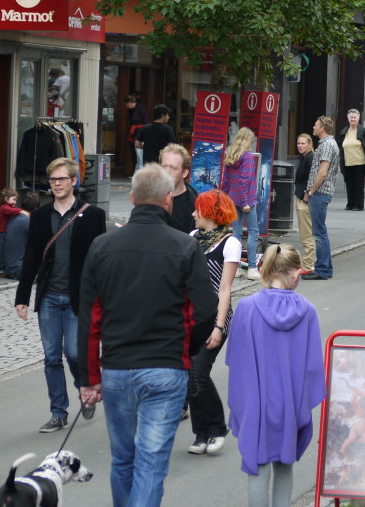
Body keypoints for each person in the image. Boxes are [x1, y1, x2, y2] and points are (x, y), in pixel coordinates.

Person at [78, 164, 218, 507]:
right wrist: (187, 347)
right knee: (151, 464)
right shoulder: (185, 248)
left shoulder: (102, 246)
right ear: (168, 201)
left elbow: (88, 319)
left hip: (117, 368)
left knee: (123, 460)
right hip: (166, 367)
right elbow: (206, 310)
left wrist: (88, 378)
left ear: (131, 198)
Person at [226, 244, 325, 507]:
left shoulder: (246, 308)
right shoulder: (308, 312)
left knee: (258, 467)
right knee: (285, 464)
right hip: (290, 405)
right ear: (293, 272)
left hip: (257, 403)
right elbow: (313, 368)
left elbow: (236, 360)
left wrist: (243, 402)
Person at [15, 158, 107, 433]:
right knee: (52, 356)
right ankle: (58, 412)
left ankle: (86, 389)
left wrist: (103, 297)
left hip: (78, 297)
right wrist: (22, 296)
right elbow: (31, 256)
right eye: (53, 179)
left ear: (73, 181)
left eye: (62, 179)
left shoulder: (92, 215)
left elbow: (100, 259)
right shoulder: (41, 216)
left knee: (75, 353)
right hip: (49, 297)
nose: (56, 184)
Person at [186, 189, 241, 455]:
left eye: (198, 209)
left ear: (209, 212)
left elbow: (225, 290)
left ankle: (217, 428)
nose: (193, 214)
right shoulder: (192, 238)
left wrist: (219, 327)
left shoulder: (230, 243)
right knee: (189, 376)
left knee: (199, 373)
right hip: (191, 318)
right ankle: (200, 434)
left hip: (215, 317)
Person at [302, 116, 341, 281]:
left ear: (322, 128)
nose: (313, 127)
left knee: (319, 233)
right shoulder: (329, 144)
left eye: (316, 125)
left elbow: (322, 172)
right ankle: (324, 268)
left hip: (320, 193)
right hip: (321, 192)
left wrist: (311, 191)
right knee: (319, 231)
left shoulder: (326, 145)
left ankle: (322, 269)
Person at [222, 127, 261, 280]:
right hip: (247, 200)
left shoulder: (231, 155)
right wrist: (245, 201)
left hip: (232, 199)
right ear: (248, 140)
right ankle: (251, 268)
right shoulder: (248, 157)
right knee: (253, 232)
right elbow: (245, 181)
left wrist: (226, 198)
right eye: (252, 139)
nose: (253, 141)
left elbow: (225, 181)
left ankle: (236, 269)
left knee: (236, 234)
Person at [337, 108, 365, 211]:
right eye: (351, 117)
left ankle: (358, 205)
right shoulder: (344, 131)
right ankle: (350, 204)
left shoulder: (363, 131)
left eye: (355, 117)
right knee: (349, 184)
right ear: (348, 119)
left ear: (358, 119)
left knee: (358, 184)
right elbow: (340, 145)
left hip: (359, 162)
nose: (353, 119)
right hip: (347, 161)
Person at [160, 143, 199, 233]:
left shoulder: (193, 204)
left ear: (184, 172)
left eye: (173, 168)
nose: (167, 171)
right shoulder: (151, 195)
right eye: (164, 167)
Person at [2, 190, 40, 280]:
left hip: (9, 267)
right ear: (36, 208)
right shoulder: (28, 221)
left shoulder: (15, 218)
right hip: (19, 269)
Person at [294, 133, 316, 273]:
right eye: (298, 143)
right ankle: (307, 263)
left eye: (303, 143)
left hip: (304, 200)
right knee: (304, 233)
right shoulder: (306, 157)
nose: (300, 146)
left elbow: (312, 178)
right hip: (301, 197)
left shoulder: (310, 158)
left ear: (309, 144)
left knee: (306, 234)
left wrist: (307, 194)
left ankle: (308, 265)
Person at [135, 104, 176, 176]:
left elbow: (137, 144)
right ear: (163, 115)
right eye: (167, 115)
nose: (168, 117)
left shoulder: (145, 128)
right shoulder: (168, 129)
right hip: (162, 162)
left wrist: (146, 146)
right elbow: (170, 146)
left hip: (147, 163)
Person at [0, 188, 24, 277]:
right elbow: (12, 211)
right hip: (2, 233)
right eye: (13, 199)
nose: (15, 202)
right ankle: (0, 269)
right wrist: (22, 211)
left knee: (7, 251)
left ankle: (6, 268)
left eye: (16, 200)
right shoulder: (4, 208)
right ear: (6, 198)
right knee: (1, 251)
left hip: (8, 232)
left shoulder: (12, 207)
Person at [126, 95, 151, 175]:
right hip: (134, 132)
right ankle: (136, 172)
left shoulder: (140, 109)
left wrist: (146, 134)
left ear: (130, 102)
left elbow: (146, 121)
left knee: (139, 154)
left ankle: (140, 173)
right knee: (135, 154)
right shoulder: (130, 110)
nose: (126, 106)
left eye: (127, 104)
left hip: (140, 132)